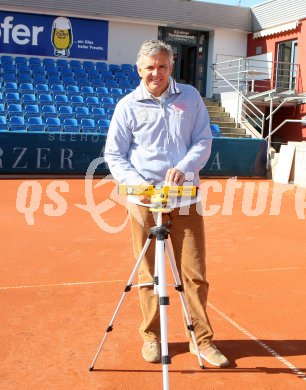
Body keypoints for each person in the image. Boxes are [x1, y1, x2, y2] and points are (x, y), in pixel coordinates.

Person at [104, 39, 229, 368]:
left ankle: (200, 340)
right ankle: (151, 337)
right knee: (147, 274)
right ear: (139, 69)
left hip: (185, 197)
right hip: (143, 201)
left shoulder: (190, 97)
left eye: (162, 66)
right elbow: (114, 155)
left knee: (194, 272)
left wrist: (184, 167)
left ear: (171, 66)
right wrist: (138, 185)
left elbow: (203, 139)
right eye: (149, 67)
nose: (155, 73)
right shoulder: (127, 106)